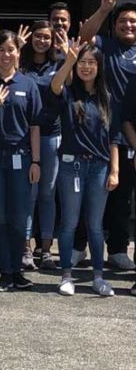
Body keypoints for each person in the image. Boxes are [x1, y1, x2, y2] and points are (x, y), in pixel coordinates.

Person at [45, 40, 119, 296]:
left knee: (96, 225)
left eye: (91, 63)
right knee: (69, 223)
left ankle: (98, 277)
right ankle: (66, 275)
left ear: (99, 67)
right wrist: (69, 60)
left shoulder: (107, 98)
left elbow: (114, 138)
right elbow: (54, 85)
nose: (86, 67)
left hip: (99, 167)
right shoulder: (67, 92)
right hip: (71, 166)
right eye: (82, 63)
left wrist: (115, 171)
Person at [0, 30, 42, 292]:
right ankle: (5, 272)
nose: (6, 54)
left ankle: (18, 272)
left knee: (19, 216)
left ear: (17, 52)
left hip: (21, 159)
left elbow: (35, 126)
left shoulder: (28, 84)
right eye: (0, 50)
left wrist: (36, 161)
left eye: (10, 49)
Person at [79, 0, 136, 271]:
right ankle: (78, 246)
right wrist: (103, 10)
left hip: (127, 136)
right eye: (123, 20)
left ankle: (117, 250)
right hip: (96, 133)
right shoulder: (107, 46)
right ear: (115, 26)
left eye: (133, 21)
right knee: (85, 193)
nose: (128, 25)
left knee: (121, 197)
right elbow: (85, 38)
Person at [20, 21, 62, 271]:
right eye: (38, 36)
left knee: (47, 194)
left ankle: (45, 250)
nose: (42, 41)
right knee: (29, 195)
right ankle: (25, 249)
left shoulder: (57, 64)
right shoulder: (21, 65)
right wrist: (17, 46)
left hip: (50, 136)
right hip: (23, 137)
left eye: (46, 37)